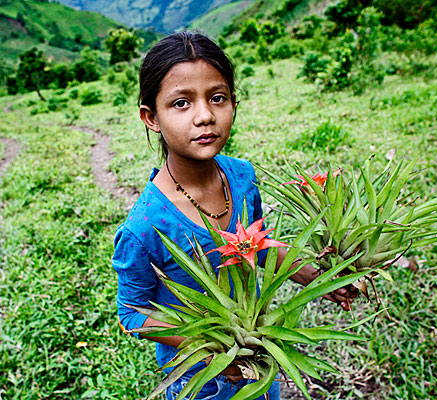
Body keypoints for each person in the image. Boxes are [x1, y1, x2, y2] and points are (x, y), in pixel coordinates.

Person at [112, 31, 353, 400]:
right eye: (181, 103)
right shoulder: (144, 227)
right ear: (152, 117)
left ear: (234, 104)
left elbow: (255, 246)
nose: (205, 115)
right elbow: (132, 313)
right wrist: (214, 348)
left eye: (218, 98)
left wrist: (316, 275)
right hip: (201, 377)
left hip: (259, 356)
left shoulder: (241, 175)